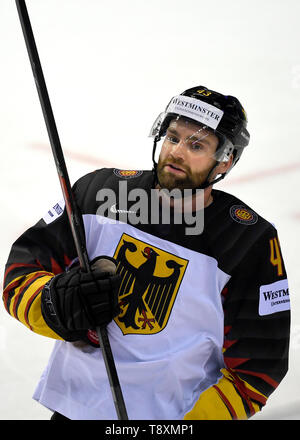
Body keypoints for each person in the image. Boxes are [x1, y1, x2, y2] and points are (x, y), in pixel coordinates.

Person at [2, 86, 290, 420]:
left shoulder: (247, 240)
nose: (177, 152)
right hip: (74, 410)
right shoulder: (99, 193)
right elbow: (21, 270)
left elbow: (259, 366)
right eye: (172, 137)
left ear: (225, 159)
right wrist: (54, 304)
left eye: (196, 145)